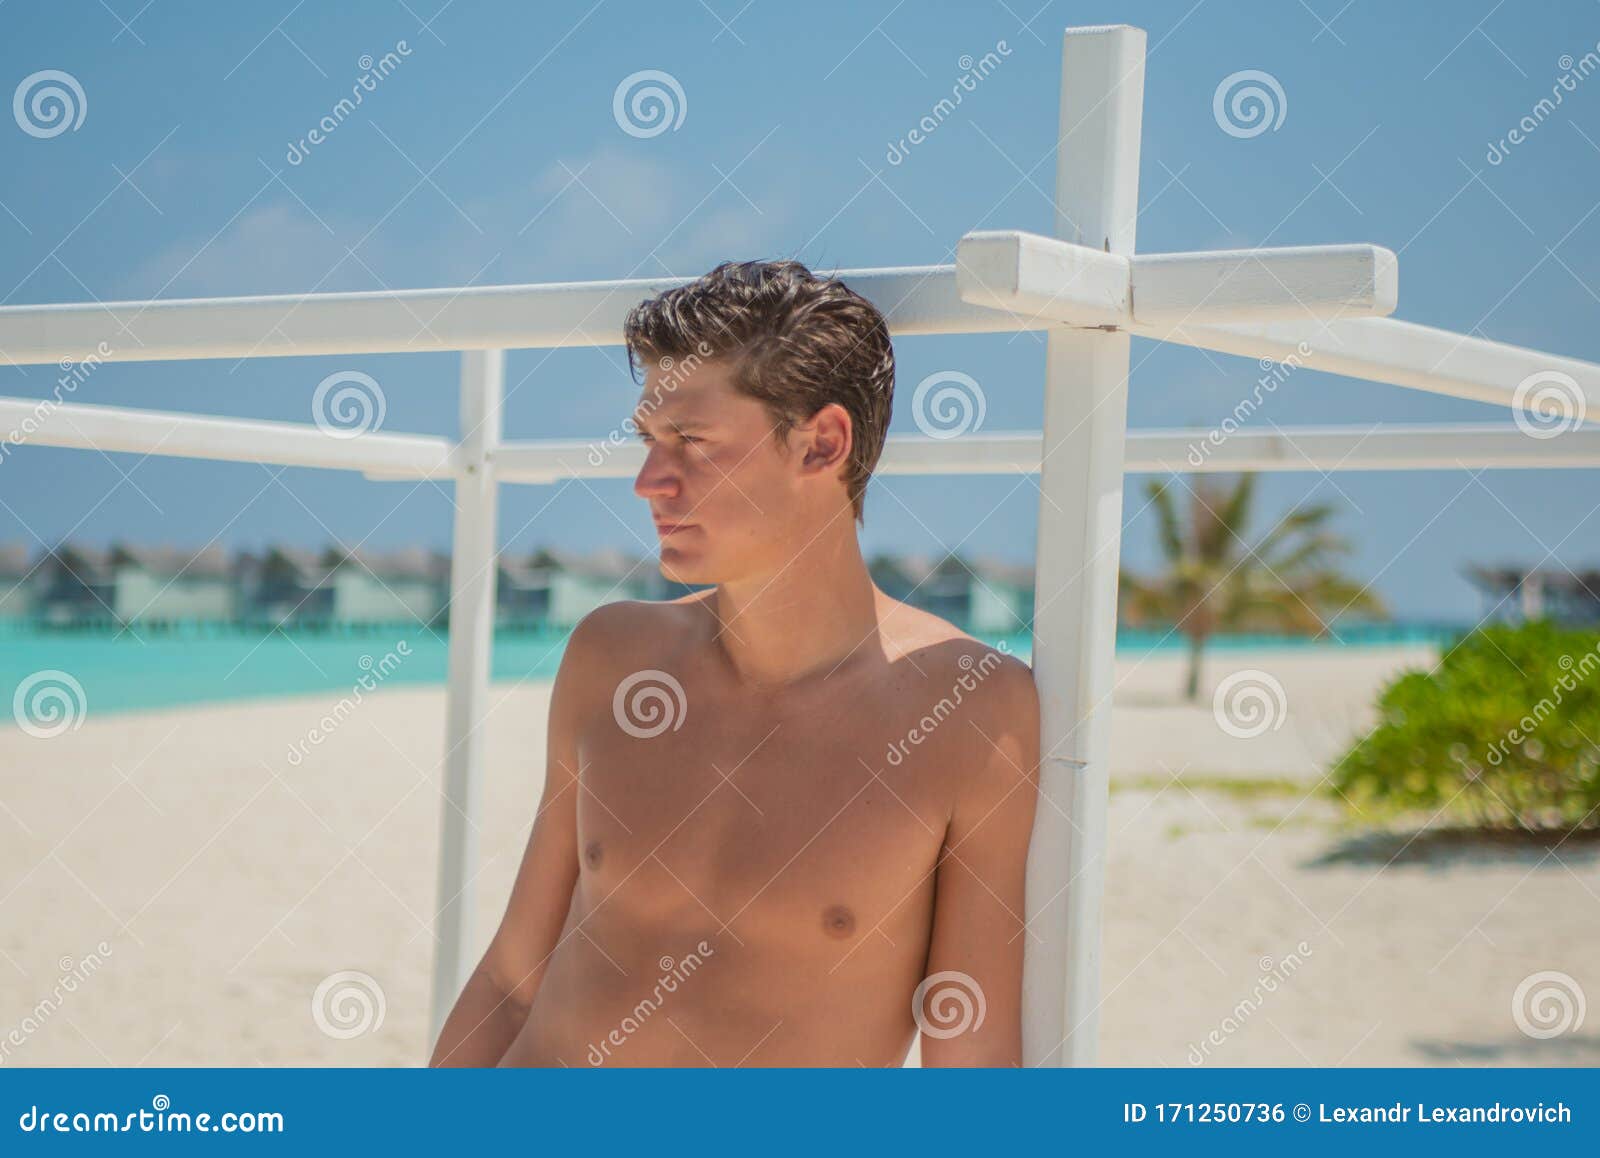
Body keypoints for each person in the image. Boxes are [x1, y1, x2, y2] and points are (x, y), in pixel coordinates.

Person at [429, 259, 1040, 1067]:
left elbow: (972, 1069)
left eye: (692, 442)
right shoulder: (612, 658)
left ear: (822, 444)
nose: (649, 481)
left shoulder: (971, 711)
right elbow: (513, 979)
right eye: (649, 441)